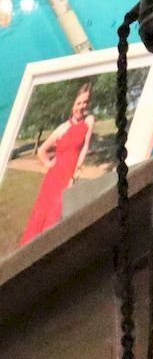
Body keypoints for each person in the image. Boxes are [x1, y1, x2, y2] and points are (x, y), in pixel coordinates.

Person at [20, 79, 96, 247]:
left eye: (85, 102)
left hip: (68, 178)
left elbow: (85, 147)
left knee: (55, 218)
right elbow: (41, 151)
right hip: (53, 179)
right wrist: (49, 164)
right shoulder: (62, 128)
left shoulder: (89, 121)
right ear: (72, 105)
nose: (81, 106)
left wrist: (74, 175)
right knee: (41, 215)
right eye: (78, 103)